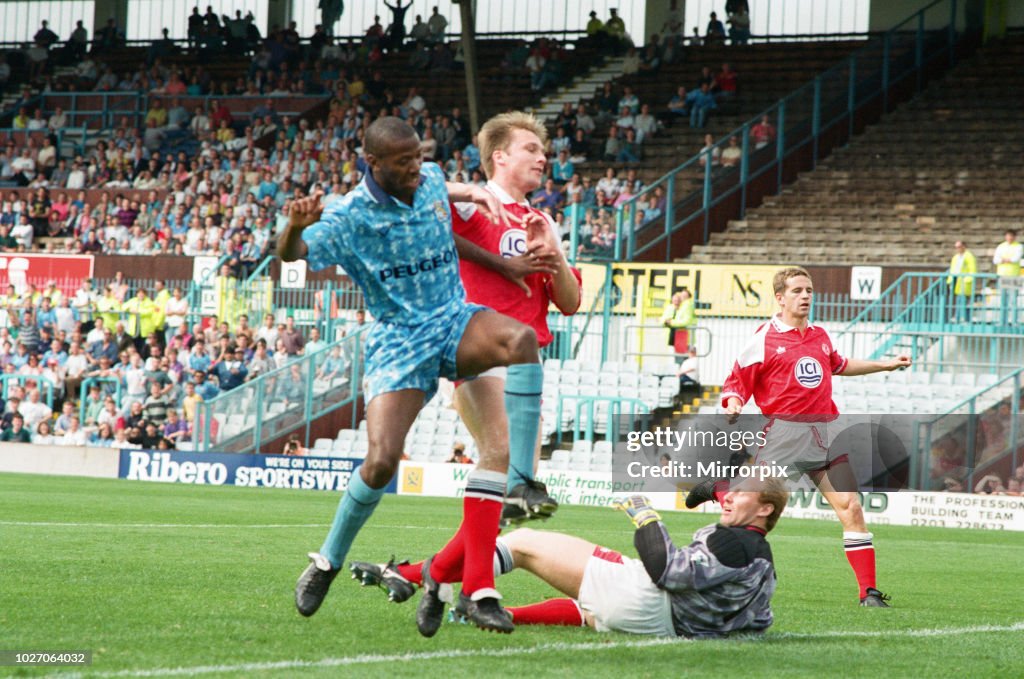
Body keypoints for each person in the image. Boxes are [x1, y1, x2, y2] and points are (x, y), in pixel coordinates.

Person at [280, 117, 546, 634]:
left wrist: (493, 252)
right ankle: (327, 562)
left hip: (453, 318)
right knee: (380, 462)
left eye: (418, 158)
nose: (414, 169)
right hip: (398, 340)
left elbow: (444, 222)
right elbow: (293, 255)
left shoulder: (428, 183)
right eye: (403, 162)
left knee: (521, 339)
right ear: (372, 163)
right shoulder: (348, 216)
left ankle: (522, 482)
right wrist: (293, 225)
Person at [375, 111, 582, 637]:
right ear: (500, 157)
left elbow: (572, 302)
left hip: (527, 368)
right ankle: (476, 592)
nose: (542, 157)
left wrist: (552, 256)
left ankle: (424, 576)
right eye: (531, 148)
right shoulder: (470, 207)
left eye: (543, 151)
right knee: (501, 462)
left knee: (512, 502)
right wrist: (466, 191)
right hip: (482, 356)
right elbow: (410, 197)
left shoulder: (543, 220)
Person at [687, 267, 911, 607]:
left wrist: (885, 365)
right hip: (784, 438)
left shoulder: (820, 335)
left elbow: (840, 364)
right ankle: (718, 490)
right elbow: (736, 383)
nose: (806, 296)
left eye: (809, 290)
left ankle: (868, 593)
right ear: (780, 298)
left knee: (850, 506)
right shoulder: (762, 339)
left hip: (826, 433)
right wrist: (732, 403)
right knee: (755, 509)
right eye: (797, 291)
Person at [353, 481, 787, 638]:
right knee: (588, 611)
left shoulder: (735, 542)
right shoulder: (761, 556)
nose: (729, 495)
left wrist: (645, 515)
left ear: (765, 509)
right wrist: (712, 491)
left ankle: (414, 576)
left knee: (521, 540)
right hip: (665, 622)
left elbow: (667, 570)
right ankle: (477, 609)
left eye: (741, 490)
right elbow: (760, 621)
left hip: (646, 599)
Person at [661, 289, 696, 361]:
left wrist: (671, 322)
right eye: (681, 296)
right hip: (679, 336)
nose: (681, 298)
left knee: (683, 359)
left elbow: (686, 321)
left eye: (684, 296)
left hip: (684, 336)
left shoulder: (687, 306)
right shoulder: (681, 306)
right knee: (680, 358)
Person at [947, 241, 977, 322]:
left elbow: (972, 269)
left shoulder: (969, 256)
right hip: (957, 281)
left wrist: (968, 279)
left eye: (959, 247)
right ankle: (959, 318)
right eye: (956, 247)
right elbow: (952, 269)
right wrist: (950, 280)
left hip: (965, 282)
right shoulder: (955, 257)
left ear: (964, 246)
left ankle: (962, 318)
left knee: (963, 301)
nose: (957, 249)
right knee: (959, 300)